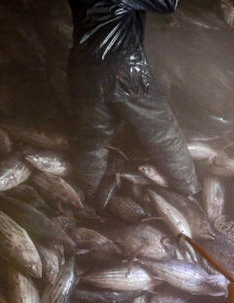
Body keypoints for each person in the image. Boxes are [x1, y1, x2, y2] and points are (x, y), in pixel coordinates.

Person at [67, 0, 199, 210]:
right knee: (161, 132)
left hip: (83, 70)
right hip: (124, 70)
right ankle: (189, 192)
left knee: (91, 140)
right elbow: (168, 4)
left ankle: (87, 201)